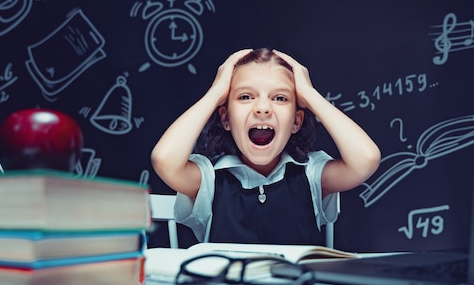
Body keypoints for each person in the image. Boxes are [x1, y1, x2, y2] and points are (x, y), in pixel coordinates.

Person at [151, 48, 381, 245]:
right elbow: (164, 160)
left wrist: (310, 94)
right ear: (226, 119)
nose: (262, 108)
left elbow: (366, 159)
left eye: (280, 98)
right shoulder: (209, 180)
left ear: (296, 121)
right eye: (245, 97)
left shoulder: (312, 175)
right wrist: (215, 92)